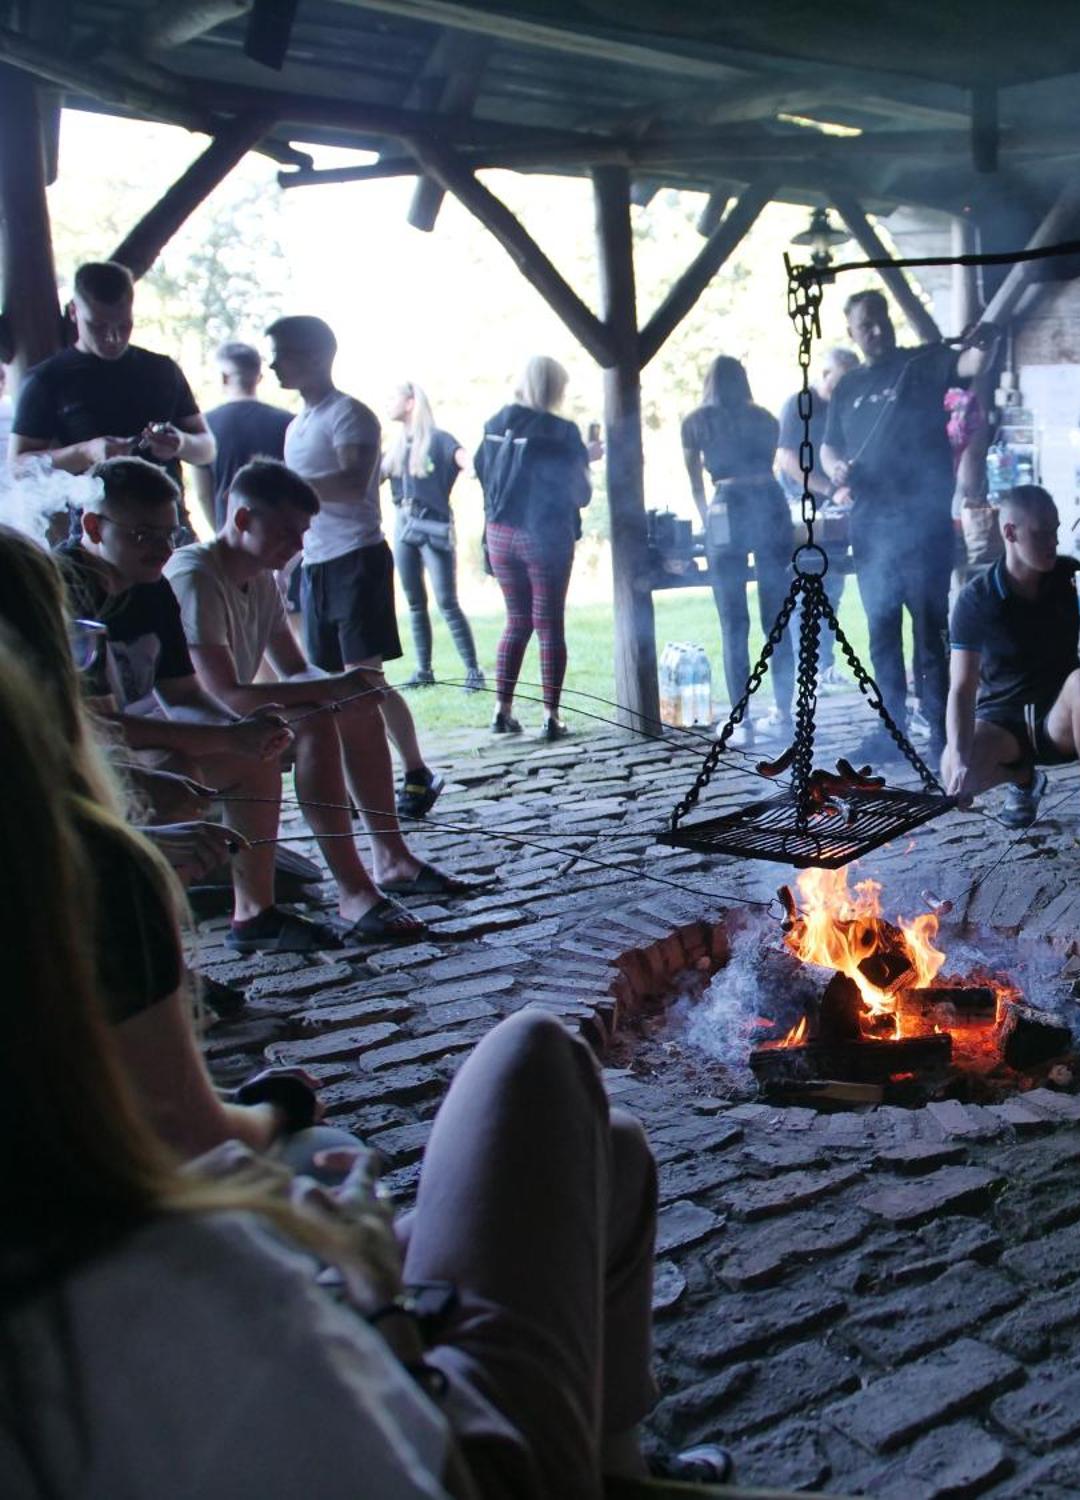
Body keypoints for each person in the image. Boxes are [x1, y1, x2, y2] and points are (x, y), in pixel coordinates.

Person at [0, 645, 737, 1497]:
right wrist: (364, 1276)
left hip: (351, 1361)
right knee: (532, 1055)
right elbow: (375, 1444)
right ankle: (595, 1472)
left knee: (611, 1146)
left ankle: (621, 1472)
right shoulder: (164, 1290)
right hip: (461, 1459)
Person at [167, 459, 476, 943]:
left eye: (303, 532)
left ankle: (391, 858)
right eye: (288, 532)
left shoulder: (263, 579)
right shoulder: (196, 574)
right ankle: (353, 892)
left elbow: (295, 670)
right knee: (314, 721)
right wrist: (329, 690)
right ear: (243, 519)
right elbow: (221, 694)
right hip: (193, 728)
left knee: (355, 707)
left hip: (232, 719)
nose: (298, 545)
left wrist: (347, 684)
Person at [49, 457, 336, 953]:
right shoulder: (67, 590)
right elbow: (100, 728)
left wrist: (242, 730)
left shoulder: (152, 588)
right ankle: (155, 958)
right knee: (173, 779)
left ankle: (254, 915)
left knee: (254, 757)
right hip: (63, 762)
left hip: (121, 743)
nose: (162, 548)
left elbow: (183, 693)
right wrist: (227, 736)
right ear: (94, 526)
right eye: (144, 535)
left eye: (170, 534)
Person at [268, 314, 443, 822]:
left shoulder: (351, 416)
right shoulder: (296, 426)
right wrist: (288, 561)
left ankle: (414, 770)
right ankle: (348, 780)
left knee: (364, 679)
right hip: (318, 563)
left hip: (357, 558)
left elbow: (349, 481)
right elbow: (305, 509)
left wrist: (284, 487)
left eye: (285, 353)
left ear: (318, 356)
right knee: (326, 683)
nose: (275, 364)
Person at [820, 290, 989, 762]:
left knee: (930, 630)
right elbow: (830, 447)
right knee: (881, 630)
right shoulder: (848, 387)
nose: (876, 330)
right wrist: (835, 470)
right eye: (865, 325)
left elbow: (970, 365)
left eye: (881, 320)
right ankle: (891, 730)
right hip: (871, 527)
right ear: (851, 332)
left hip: (923, 523)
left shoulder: (921, 366)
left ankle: (939, 732)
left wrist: (983, 340)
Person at [942, 485, 1080, 858]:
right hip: (1002, 724)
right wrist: (959, 756)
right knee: (955, 774)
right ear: (1010, 533)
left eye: (1055, 531)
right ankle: (1023, 778)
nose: (1052, 542)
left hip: (1059, 720)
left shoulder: (1071, 577)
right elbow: (961, 688)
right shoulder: (977, 598)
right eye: (1041, 534)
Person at [9, 261, 215, 535]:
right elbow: (18, 467)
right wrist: (84, 452)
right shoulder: (47, 379)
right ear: (74, 312)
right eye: (98, 325)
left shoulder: (163, 370)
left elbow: (207, 449)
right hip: (94, 535)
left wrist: (180, 443)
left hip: (170, 528)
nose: (113, 337)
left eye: (124, 324)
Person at [474, 355, 598, 740]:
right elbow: (580, 494)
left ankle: (502, 710)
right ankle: (551, 715)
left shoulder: (494, 423)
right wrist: (586, 458)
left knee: (515, 621)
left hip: (499, 533)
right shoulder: (561, 431)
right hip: (543, 535)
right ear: (555, 388)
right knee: (548, 625)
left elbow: (482, 472)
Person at [683, 355, 795, 733]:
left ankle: (741, 720)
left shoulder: (696, 422)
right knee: (775, 618)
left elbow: (697, 484)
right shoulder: (765, 419)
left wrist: (706, 518)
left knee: (734, 622)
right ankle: (783, 713)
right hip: (769, 502)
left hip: (727, 506)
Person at [384, 380, 483, 692]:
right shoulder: (397, 448)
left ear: (411, 402)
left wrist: (472, 467)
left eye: (394, 397)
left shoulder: (439, 440)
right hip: (403, 526)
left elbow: (466, 460)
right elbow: (371, 479)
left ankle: (473, 672)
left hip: (433, 527)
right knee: (415, 603)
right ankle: (424, 670)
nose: (389, 403)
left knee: (447, 602)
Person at [776, 346, 858, 684]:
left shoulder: (846, 407)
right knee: (805, 587)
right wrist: (828, 488)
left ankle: (824, 667)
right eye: (843, 378)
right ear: (825, 375)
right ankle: (805, 669)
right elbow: (787, 458)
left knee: (832, 585)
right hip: (801, 504)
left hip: (835, 506)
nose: (849, 385)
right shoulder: (800, 405)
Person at [193, 340, 293, 532]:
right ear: (259, 377)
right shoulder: (290, 423)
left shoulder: (204, 425)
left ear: (223, 378)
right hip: (282, 537)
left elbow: (203, 493)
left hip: (232, 534)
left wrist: (221, 531)